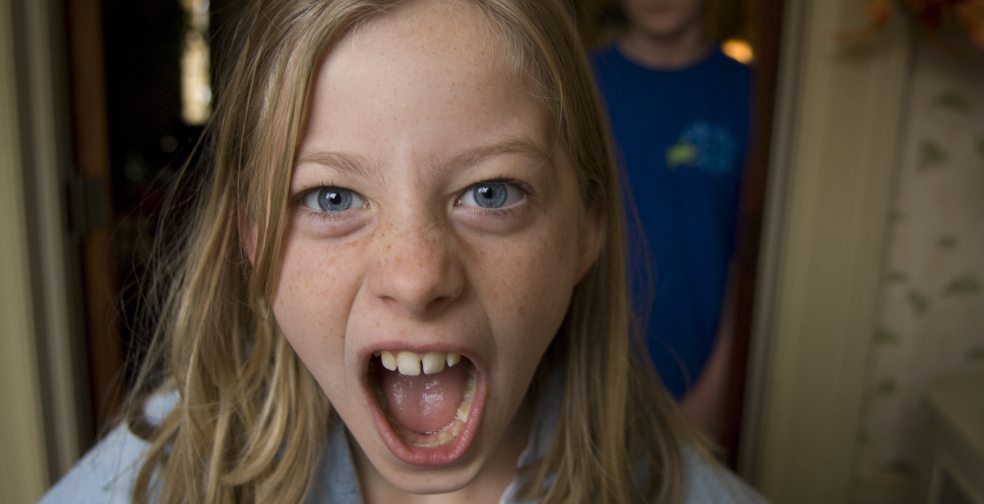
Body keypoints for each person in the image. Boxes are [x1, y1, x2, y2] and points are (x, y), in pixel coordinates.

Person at [40, 0, 767, 502]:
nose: (416, 277)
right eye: (330, 198)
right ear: (254, 242)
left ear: (585, 232)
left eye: (491, 193)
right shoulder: (164, 471)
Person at [589, 0, 751, 433]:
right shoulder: (579, 82)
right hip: (580, 382)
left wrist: (715, 393)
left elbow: (749, 266)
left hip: (699, 389)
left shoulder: (751, 93)